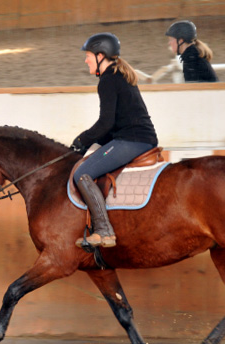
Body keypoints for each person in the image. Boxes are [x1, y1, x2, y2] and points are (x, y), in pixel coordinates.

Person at [71, 32, 159, 248]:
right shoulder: (118, 76)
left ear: (101, 55)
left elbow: (105, 123)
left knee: (82, 173)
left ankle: (103, 231)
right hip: (137, 137)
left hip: (133, 140)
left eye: (89, 55)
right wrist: (92, 145)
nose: (86, 60)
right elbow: (114, 125)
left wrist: (81, 139)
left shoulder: (108, 80)